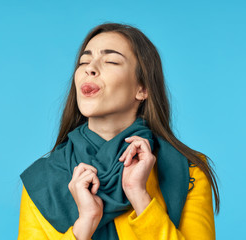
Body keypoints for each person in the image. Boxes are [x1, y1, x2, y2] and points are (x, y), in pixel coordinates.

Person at [17, 23, 219, 240]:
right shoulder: (42, 181)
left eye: (111, 61)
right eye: (84, 61)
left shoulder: (190, 171)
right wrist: (85, 223)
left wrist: (140, 197)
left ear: (142, 89)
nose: (90, 68)